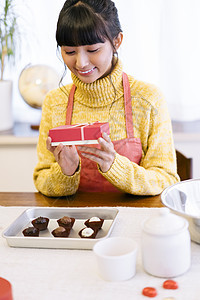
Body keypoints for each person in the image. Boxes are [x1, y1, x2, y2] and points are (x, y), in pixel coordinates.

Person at [33, 0, 179, 197]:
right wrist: (66, 172)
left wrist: (114, 165)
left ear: (117, 41)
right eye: (69, 51)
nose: (81, 62)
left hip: (134, 221)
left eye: (92, 50)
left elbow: (166, 179)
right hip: (75, 222)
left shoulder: (148, 99)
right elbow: (42, 178)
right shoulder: (54, 102)